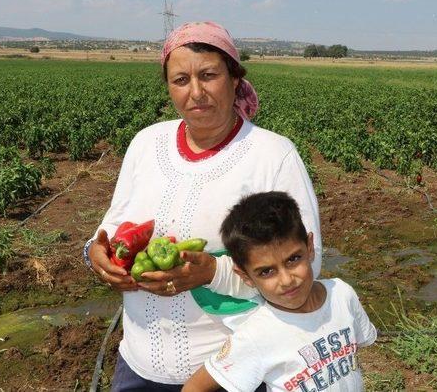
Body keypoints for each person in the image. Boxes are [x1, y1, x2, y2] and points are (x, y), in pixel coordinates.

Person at [83, 21, 323, 390]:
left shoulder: (271, 155)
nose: (196, 92)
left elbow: (310, 261)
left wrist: (213, 272)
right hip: (137, 365)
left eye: (208, 75)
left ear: (234, 78)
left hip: (231, 370)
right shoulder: (146, 144)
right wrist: (97, 254)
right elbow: (115, 224)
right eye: (180, 80)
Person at [183, 191, 377, 392]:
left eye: (293, 259)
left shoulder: (342, 294)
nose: (286, 280)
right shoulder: (256, 336)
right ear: (245, 276)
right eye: (266, 271)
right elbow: (195, 387)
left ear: (310, 247)